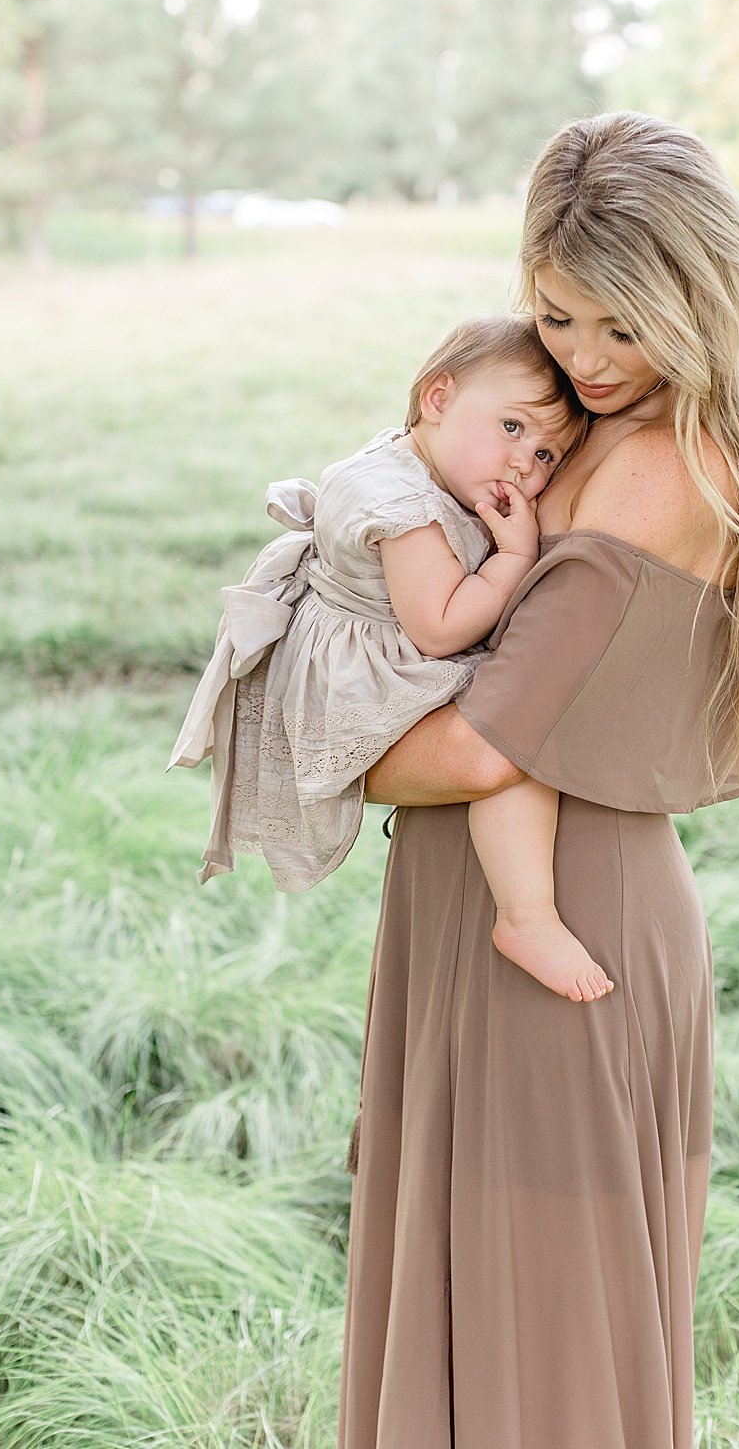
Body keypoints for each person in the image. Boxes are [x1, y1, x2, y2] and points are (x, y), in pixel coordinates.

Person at [336, 111, 739, 1449]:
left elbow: (487, 743)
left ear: (696, 303)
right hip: (478, 910)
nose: (590, 362)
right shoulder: (573, 425)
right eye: (562, 318)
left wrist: (324, 750)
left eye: (626, 329)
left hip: (560, 924)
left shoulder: (652, 463)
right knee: (483, 1319)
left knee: (539, 1363)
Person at [167, 315, 616, 1002]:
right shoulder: (406, 509)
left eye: (549, 454)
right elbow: (439, 629)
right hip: (358, 679)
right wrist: (518, 557)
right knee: (517, 745)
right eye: (513, 428)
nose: (527, 462)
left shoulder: (417, 457)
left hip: (361, 649)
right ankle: (527, 917)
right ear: (437, 400)